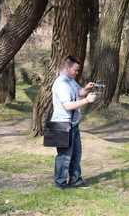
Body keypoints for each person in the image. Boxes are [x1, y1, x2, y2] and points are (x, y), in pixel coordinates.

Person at [51, 55, 97, 189]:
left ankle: (75, 180)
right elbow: (68, 106)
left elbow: (80, 92)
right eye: (75, 70)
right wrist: (87, 101)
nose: (77, 73)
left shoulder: (70, 80)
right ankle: (60, 183)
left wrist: (87, 89)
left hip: (73, 124)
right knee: (64, 156)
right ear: (67, 68)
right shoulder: (61, 84)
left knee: (76, 154)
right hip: (63, 125)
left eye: (78, 70)